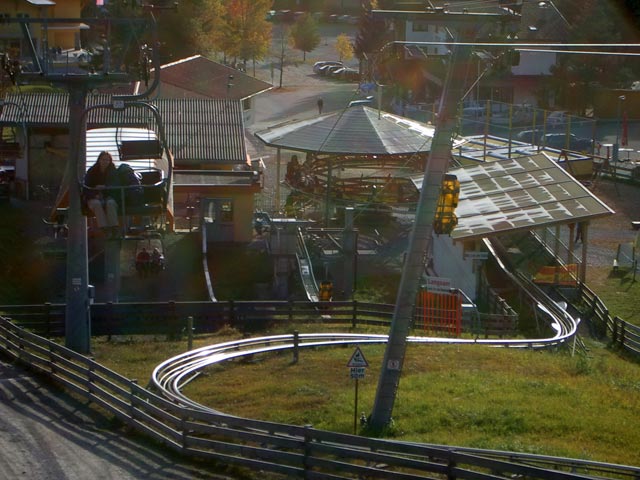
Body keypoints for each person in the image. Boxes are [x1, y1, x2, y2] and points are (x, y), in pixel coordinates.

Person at [84, 151, 120, 237]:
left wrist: (106, 187)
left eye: (107, 160)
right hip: (93, 197)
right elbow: (86, 187)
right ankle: (104, 228)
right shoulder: (92, 171)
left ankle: (114, 227)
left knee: (110, 203)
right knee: (96, 204)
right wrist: (94, 193)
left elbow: (116, 186)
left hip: (108, 196)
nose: (105, 162)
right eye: (103, 159)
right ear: (99, 160)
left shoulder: (113, 172)